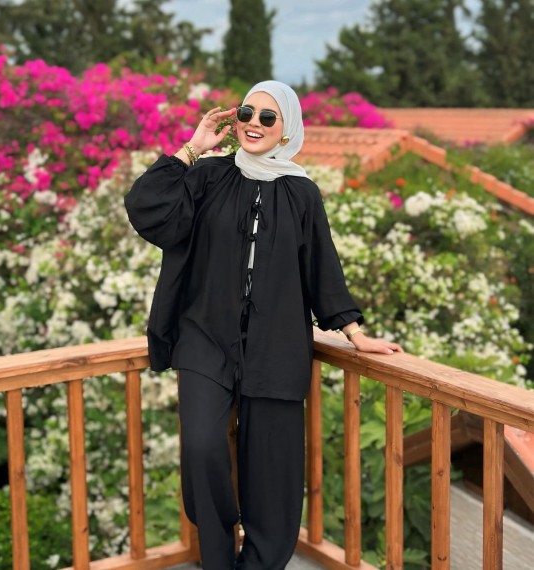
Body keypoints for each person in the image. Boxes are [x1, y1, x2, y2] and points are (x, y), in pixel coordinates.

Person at [124, 80, 403, 570]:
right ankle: (218, 555)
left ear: (286, 128)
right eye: (246, 113)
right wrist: (192, 148)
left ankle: (260, 563)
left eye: (267, 117)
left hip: (277, 346)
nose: (254, 123)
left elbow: (321, 267)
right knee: (202, 446)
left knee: (273, 468)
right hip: (204, 338)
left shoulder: (302, 193)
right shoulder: (208, 176)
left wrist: (356, 334)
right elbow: (146, 207)